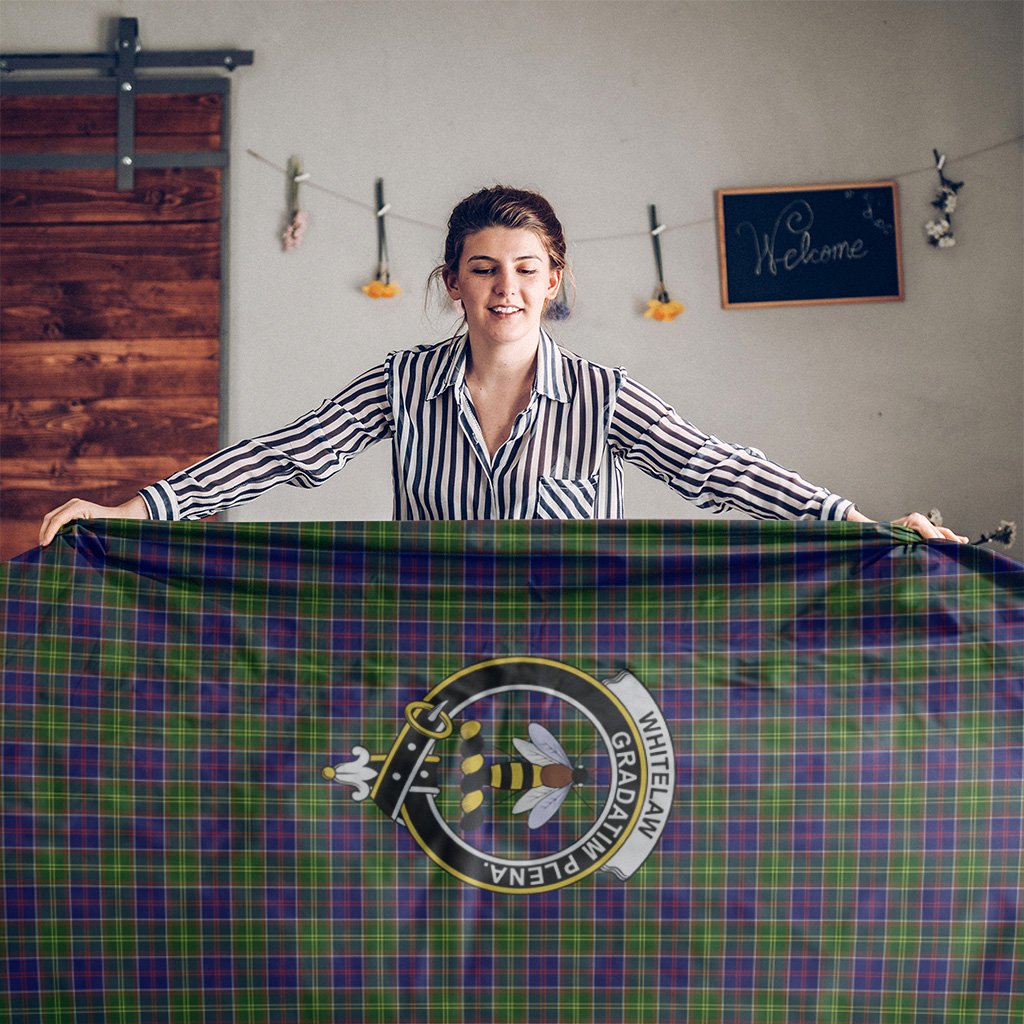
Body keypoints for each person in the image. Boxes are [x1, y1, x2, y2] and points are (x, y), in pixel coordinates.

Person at [38, 186, 967, 546]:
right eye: (484, 270)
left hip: (580, 664)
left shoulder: (603, 397)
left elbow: (718, 468)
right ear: (453, 283)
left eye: (526, 271)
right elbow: (284, 455)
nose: (506, 289)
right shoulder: (402, 382)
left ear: (555, 280)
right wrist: (134, 510)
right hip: (433, 658)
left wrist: (859, 524)